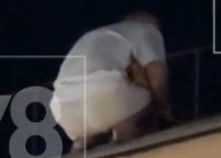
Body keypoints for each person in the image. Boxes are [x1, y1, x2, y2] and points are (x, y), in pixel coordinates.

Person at [49, 12, 174, 150]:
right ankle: (124, 133)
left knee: (94, 117)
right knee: (150, 101)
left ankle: (84, 141)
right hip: (104, 99)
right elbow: (157, 73)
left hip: (63, 108)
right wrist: (164, 111)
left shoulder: (97, 36)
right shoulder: (146, 29)